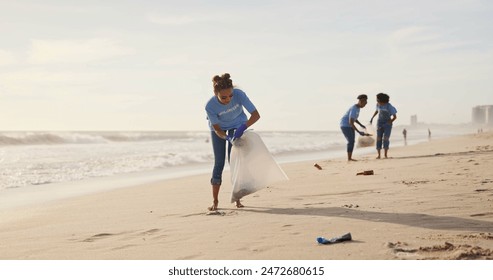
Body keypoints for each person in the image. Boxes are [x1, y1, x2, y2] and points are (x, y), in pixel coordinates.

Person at [205, 73, 260, 211]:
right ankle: (215, 201)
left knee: (234, 161)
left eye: (230, 96)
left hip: (238, 125)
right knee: (219, 163)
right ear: (215, 93)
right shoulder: (210, 106)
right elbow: (217, 129)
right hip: (220, 130)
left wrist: (243, 127)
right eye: (223, 97)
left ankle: (237, 198)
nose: (228, 99)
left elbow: (256, 115)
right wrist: (227, 138)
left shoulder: (239, 94)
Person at [340, 94, 370, 161]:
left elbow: (354, 119)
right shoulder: (354, 108)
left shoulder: (358, 108)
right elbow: (351, 122)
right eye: (364, 104)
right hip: (345, 125)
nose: (365, 106)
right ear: (361, 101)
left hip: (350, 125)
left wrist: (361, 124)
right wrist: (359, 132)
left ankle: (350, 157)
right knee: (350, 141)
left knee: (352, 141)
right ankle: (349, 158)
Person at [370, 93, 397, 159]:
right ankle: (379, 155)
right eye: (377, 100)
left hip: (387, 124)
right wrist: (372, 117)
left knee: (386, 138)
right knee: (378, 138)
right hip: (379, 123)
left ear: (383, 100)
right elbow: (376, 111)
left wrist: (389, 122)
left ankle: (385, 155)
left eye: (378, 100)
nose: (377, 101)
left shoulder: (389, 106)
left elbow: (395, 117)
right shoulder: (378, 104)